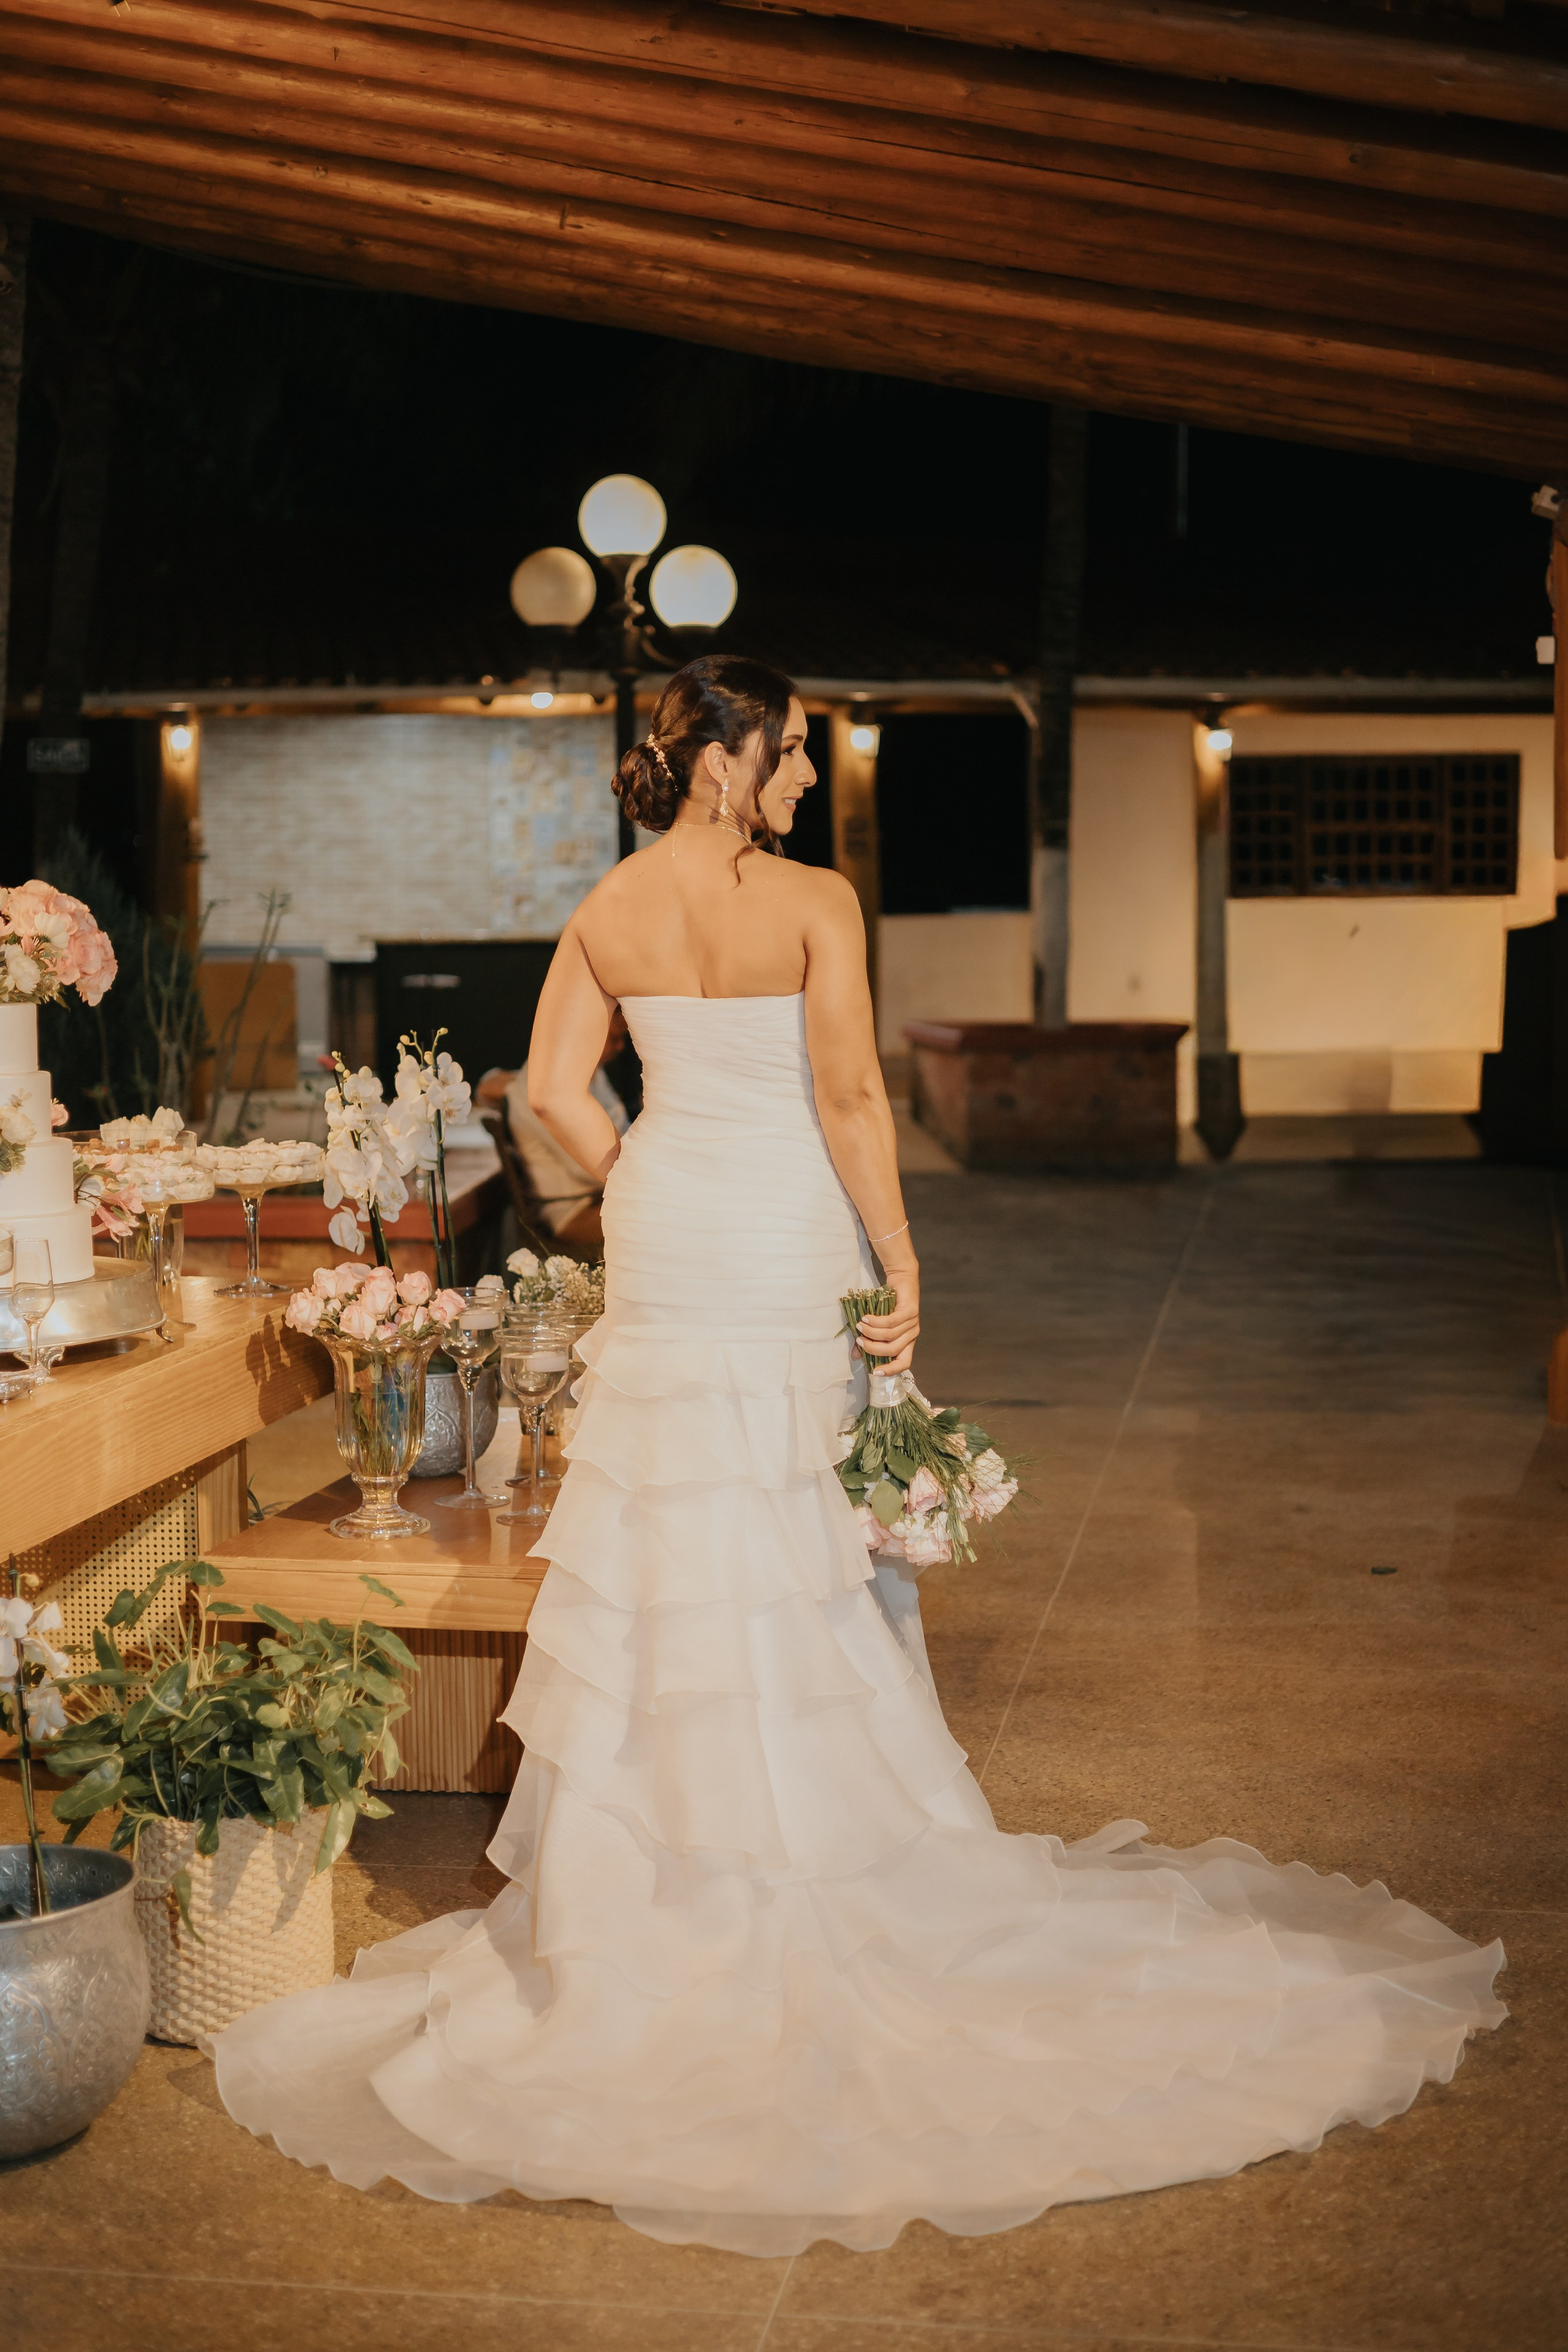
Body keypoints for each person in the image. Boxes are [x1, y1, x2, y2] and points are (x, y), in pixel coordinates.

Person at [207, 654, 1504, 2257]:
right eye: (795, 753)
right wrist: (899, 1259)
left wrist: (637, 1177)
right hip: (781, 1228)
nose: (813, 779)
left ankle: (652, 1896)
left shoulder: (608, 902)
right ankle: (821, 1844)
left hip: (680, 1222)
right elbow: (847, 1089)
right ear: (723, 765)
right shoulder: (816, 902)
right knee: (796, 1523)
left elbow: (548, 1088)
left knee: (674, 1524)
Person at [499, 1005, 631, 1242]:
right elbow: (590, 1169)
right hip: (573, 1212)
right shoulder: (543, 1085)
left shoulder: (592, 1071)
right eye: (614, 1038)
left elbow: (622, 1128)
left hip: (605, 1198)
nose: (621, 1047)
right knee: (668, 1220)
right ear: (587, 1031)